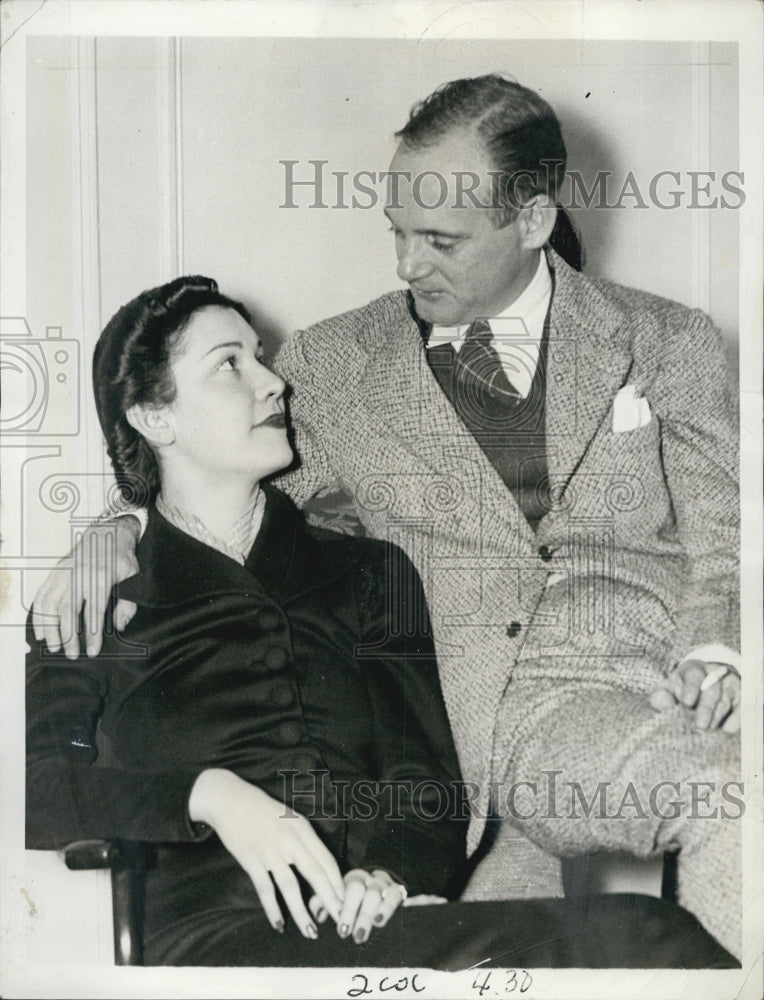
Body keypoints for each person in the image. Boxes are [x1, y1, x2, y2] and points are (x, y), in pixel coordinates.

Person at [31, 76, 742, 959]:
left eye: (439, 240)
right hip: (468, 717)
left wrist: (715, 655)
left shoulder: (668, 337)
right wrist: (110, 529)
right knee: (727, 797)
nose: (407, 267)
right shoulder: (332, 365)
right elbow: (215, 483)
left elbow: (725, 535)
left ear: (531, 221)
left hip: (644, 682)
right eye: (396, 233)